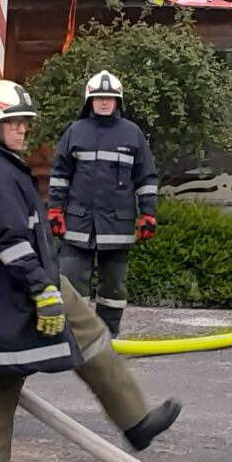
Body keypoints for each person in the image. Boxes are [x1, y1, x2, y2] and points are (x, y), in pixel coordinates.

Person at [0, 80, 181, 462]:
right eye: (13, 122)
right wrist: (42, 290)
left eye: (24, 122)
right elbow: (11, 242)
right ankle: (136, 422)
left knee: (5, 373)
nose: (23, 129)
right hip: (21, 285)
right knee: (89, 334)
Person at [47, 68, 160, 337]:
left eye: (109, 98)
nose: (104, 102)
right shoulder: (75, 132)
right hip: (78, 224)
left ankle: (109, 336)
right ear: (90, 101)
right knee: (72, 283)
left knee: (113, 288)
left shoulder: (132, 134)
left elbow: (146, 178)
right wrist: (55, 210)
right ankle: (75, 337)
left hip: (117, 225)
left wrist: (148, 214)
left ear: (118, 101)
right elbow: (60, 175)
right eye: (99, 98)